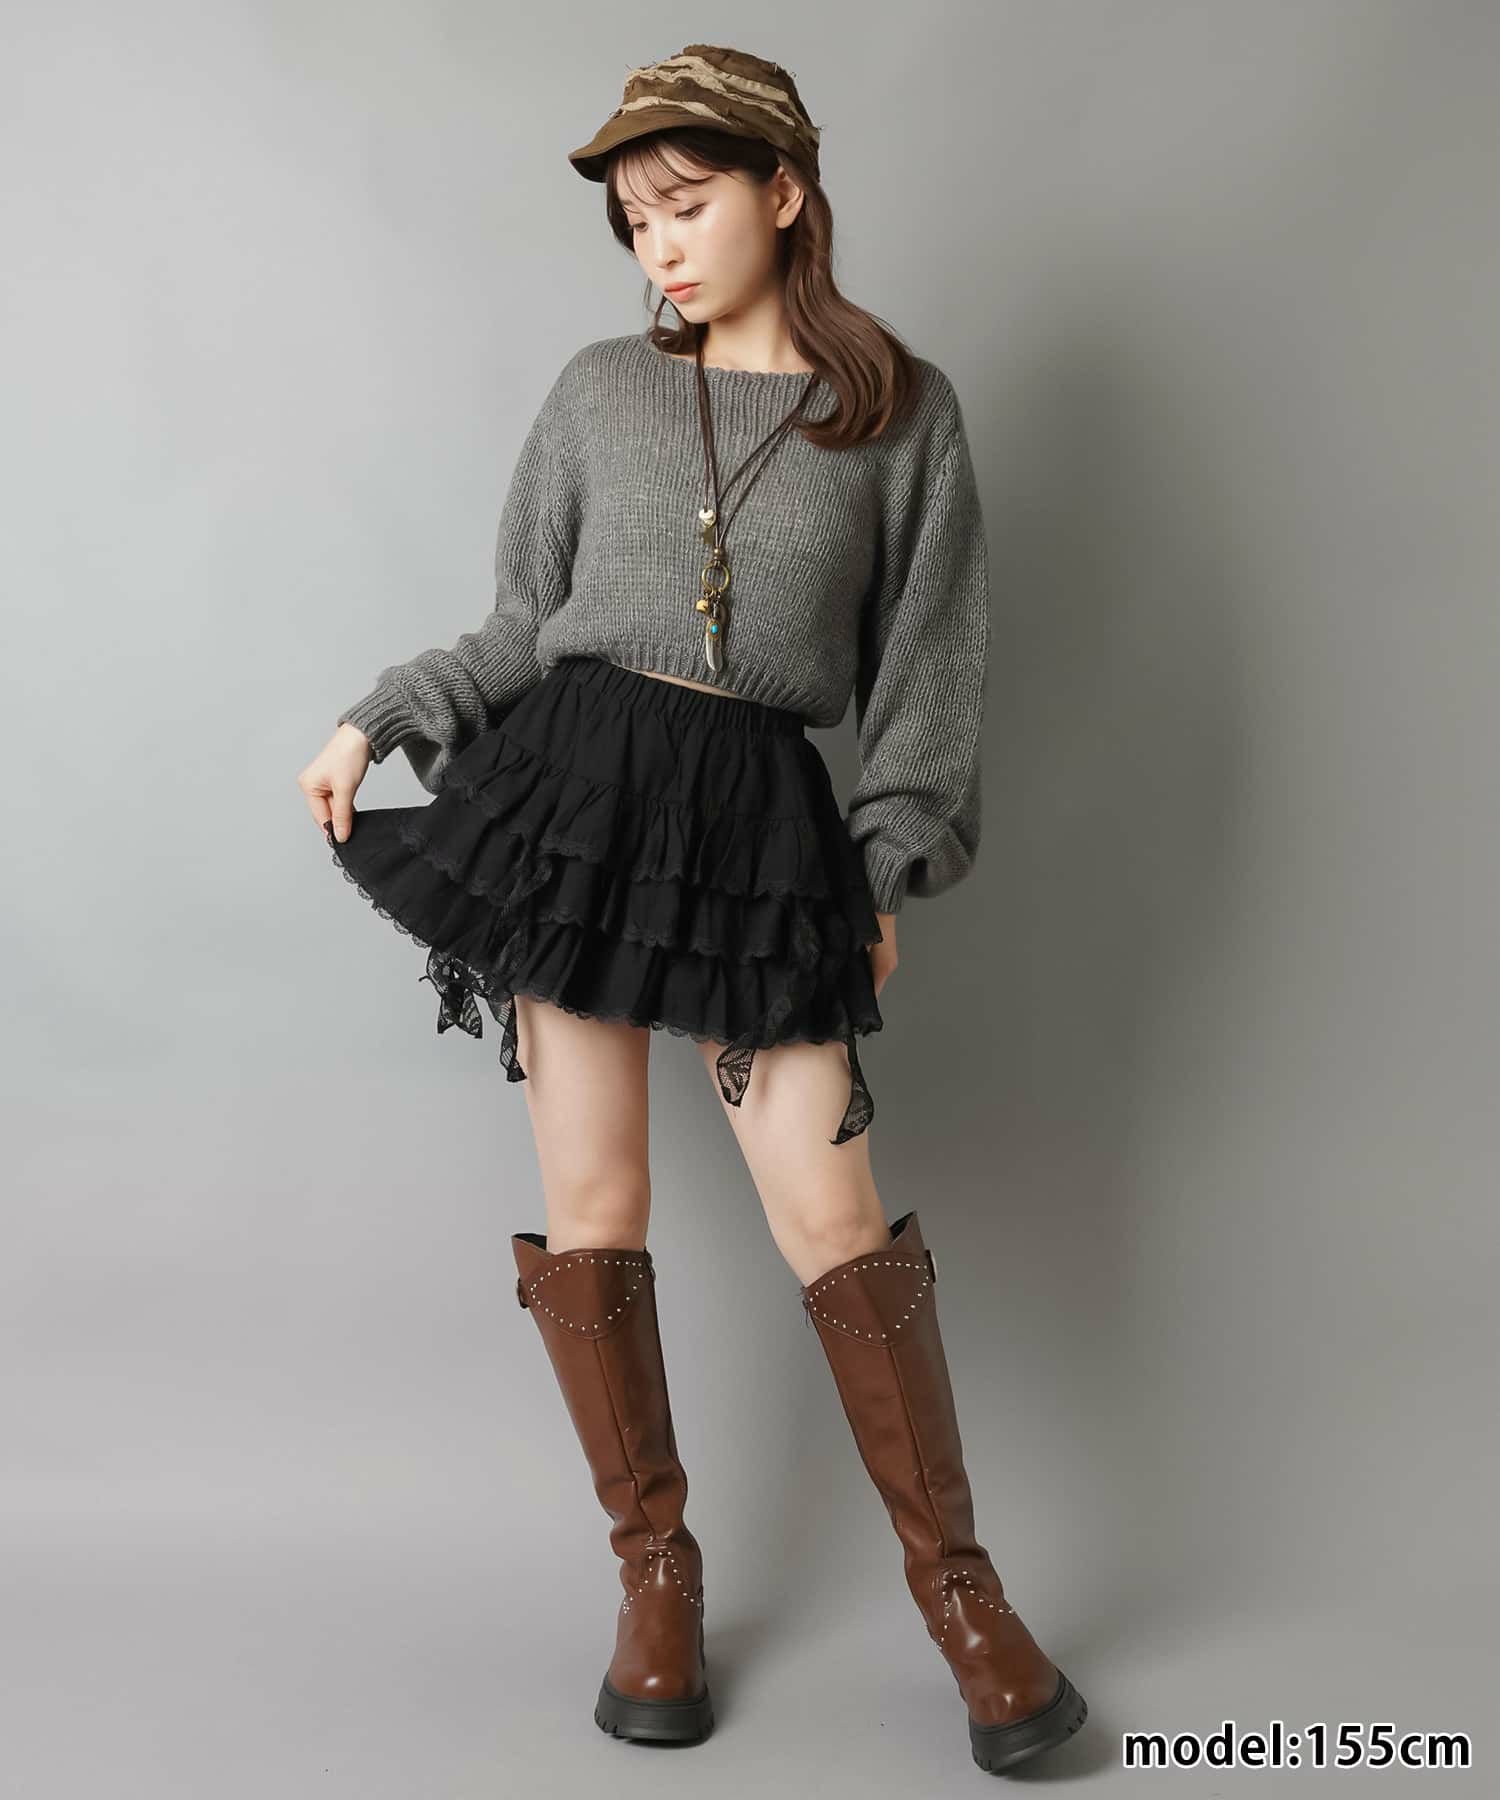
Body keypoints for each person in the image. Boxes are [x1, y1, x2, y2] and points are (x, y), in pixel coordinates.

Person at [296, 43, 1087, 1776]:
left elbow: (927, 679)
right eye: (631, 219)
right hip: (572, 807)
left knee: (833, 1212)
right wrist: (381, 715)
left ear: (784, 192)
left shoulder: (903, 417)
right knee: (595, 1199)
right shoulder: (599, 393)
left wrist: (882, 863)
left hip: (754, 831)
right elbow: (524, 624)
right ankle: (655, 1577)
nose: (655, 244)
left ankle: (961, 1597)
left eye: (686, 203)